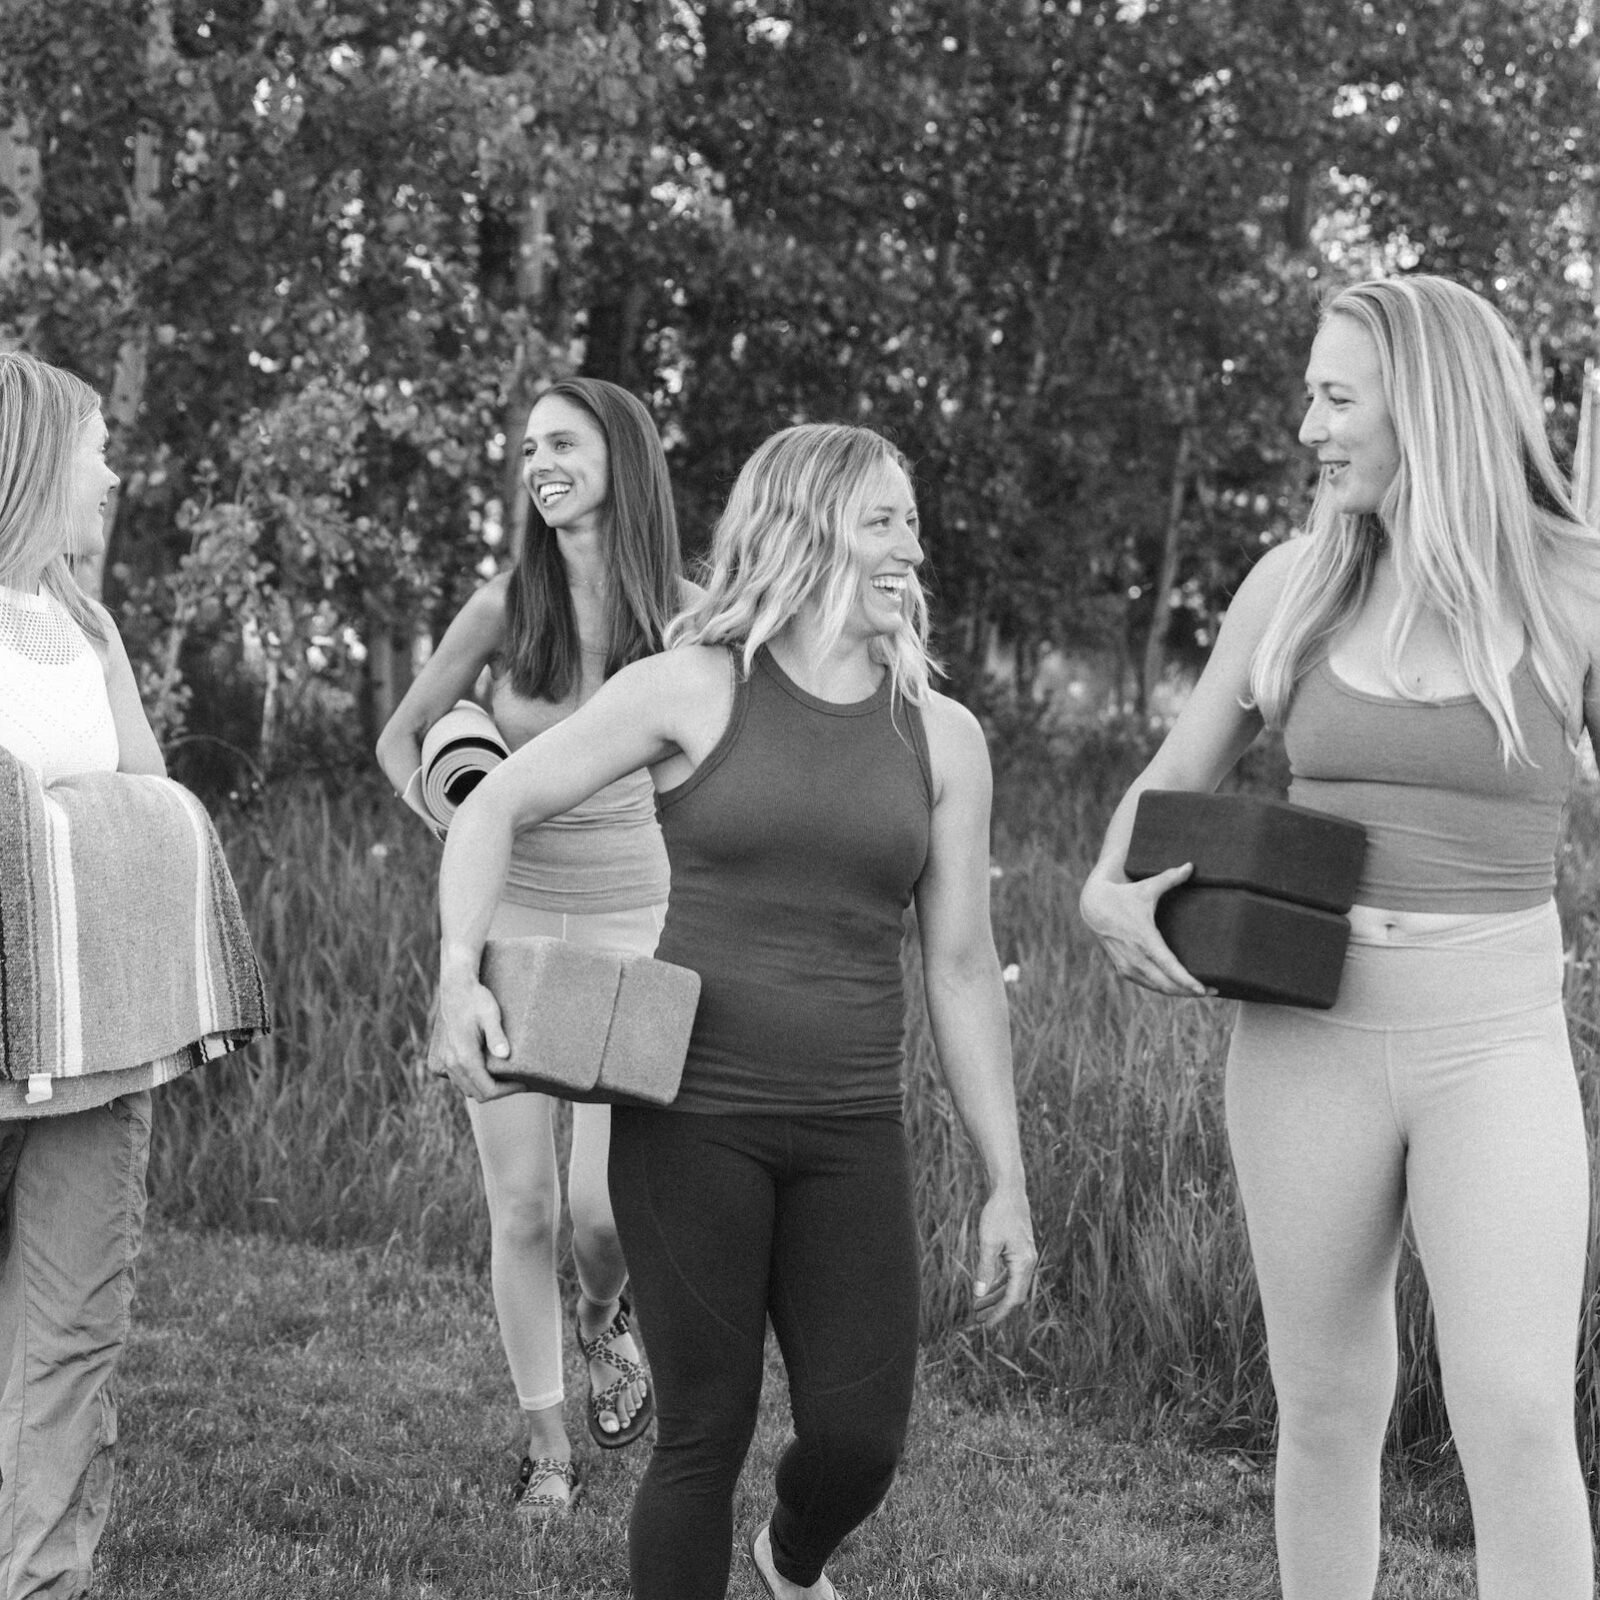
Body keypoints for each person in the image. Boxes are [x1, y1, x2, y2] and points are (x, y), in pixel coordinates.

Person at [430, 422, 1036, 1599]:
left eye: (913, 520)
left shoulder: (944, 737)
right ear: (808, 530)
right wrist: (461, 972)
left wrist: (1004, 1176)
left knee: (861, 1439)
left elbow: (962, 966)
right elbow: (491, 807)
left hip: (853, 1127)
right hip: (693, 1115)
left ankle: (789, 1559)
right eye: (881, 519)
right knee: (701, 1435)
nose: (911, 546)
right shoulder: (694, 688)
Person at [1080, 275, 1600, 1600]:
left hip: (1495, 1046)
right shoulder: (1294, 583)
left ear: (1426, 404)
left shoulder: (1568, 587)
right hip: (1304, 1036)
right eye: (1309, 392)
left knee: (1520, 1416)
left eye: (1334, 394)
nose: (1308, 422)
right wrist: (1103, 885)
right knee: (1322, 1407)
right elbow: (1172, 770)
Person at [378, 377, 686, 1516]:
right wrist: (459, 814)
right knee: (523, 1209)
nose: (536, 462)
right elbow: (401, 735)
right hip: (506, 929)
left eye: (560, 442)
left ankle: (607, 1322)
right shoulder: (506, 605)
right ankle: (547, 1447)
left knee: (604, 1213)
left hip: (635, 931)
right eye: (525, 448)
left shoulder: (694, 616)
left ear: (622, 454)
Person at [0, 353, 176, 1594]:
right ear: (27, 459)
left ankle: (40, 1579)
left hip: (96, 1035)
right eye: (95, 446)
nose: (111, 472)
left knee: (71, 1328)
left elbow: (158, 805)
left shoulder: (90, 625)